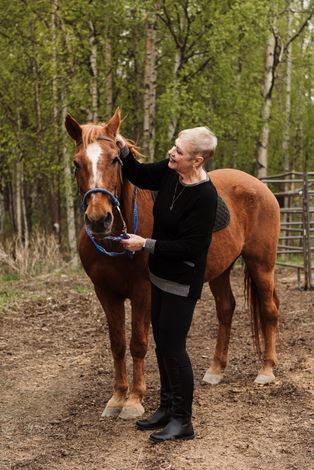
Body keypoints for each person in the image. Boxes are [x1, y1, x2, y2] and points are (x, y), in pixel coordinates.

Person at [116, 127, 218, 443]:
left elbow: (192, 247)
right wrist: (122, 151)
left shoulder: (205, 196)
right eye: (173, 146)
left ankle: (183, 421)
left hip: (182, 281)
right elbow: (139, 174)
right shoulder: (172, 171)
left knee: (175, 348)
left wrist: (144, 244)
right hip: (159, 276)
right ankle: (165, 409)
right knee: (162, 344)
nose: (171, 152)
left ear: (197, 159)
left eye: (179, 151)